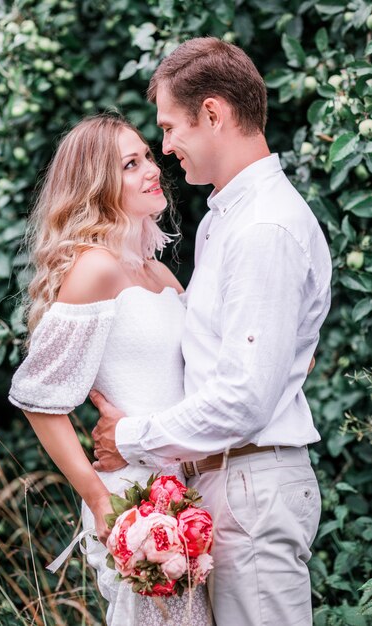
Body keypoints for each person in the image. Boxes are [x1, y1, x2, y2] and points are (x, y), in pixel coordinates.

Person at [91, 37, 333, 626]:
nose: (166, 148)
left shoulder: (262, 228)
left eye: (171, 128)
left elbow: (244, 398)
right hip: (226, 486)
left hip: (252, 484)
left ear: (214, 114)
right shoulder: (226, 220)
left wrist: (130, 438)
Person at [8, 115, 214, 626]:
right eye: (130, 164)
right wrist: (98, 497)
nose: (152, 169)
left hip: (191, 486)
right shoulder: (94, 269)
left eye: (146, 155)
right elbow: (40, 399)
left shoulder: (160, 273)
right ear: (97, 185)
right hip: (137, 497)